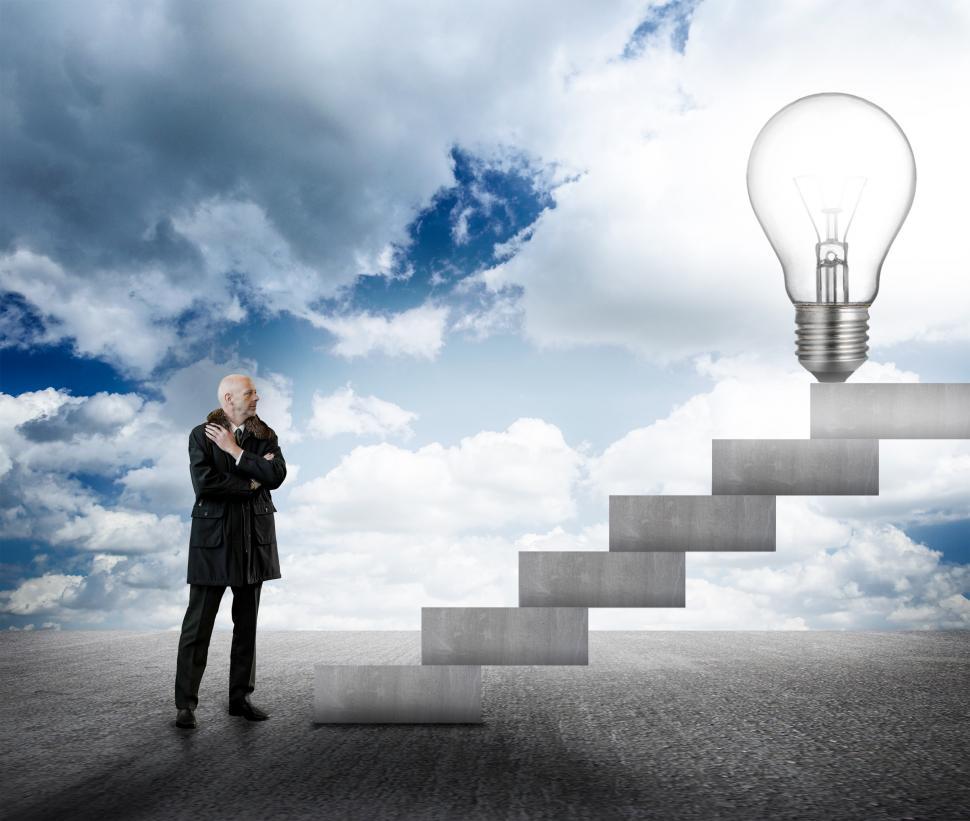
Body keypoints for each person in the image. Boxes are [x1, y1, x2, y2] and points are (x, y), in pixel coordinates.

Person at [173, 374, 287, 729]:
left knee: (247, 626)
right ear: (228, 398)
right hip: (214, 542)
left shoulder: (265, 435)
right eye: (250, 392)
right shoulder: (200, 435)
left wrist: (236, 453)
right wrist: (252, 479)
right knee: (197, 626)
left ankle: (241, 699)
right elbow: (205, 483)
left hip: (253, 541)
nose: (257, 397)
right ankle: (185, 704)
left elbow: (277, 474)